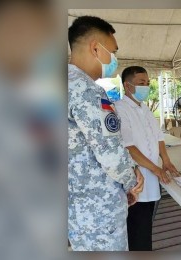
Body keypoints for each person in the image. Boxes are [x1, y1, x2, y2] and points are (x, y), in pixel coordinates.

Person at [68, 16, 144, 251]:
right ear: (94, 48)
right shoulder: (88, 91)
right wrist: (132, 179)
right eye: (112, 52)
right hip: (99, 210)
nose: (114, 60)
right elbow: (110, 154)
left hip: (73, 207)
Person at [115, 66, 180, 251]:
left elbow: (159, 137)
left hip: (151, 174)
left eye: (148, 83)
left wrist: (165, 161)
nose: (146, 86)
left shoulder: (145, 108)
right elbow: (129, 147)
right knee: (137, 228)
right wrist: (156, 169)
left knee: (145, 224)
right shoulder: (120, 109)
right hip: (136, 178)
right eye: (141, 83)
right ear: (127, 86)